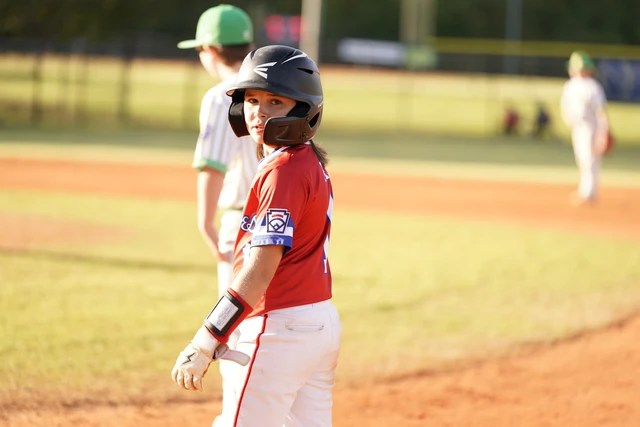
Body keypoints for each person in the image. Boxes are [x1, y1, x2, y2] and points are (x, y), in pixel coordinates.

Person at [171, 45, 342, 427]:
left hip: (279, 329)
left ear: (304, 109)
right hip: (318, 325)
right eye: (251, 100)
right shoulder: (307, 161)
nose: (259, 112)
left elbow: (260, 269)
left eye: (275, 101)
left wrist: (206, 338)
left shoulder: (282, 170)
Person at [176, 5, 258, 425]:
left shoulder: (220, 96)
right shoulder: (272, 89)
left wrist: (205, 224)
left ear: (209, 50)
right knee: (267, 327)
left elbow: (212, 165)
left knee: (233, 327)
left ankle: (238, 416)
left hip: (240, 225)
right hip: (281, 224)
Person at [560, 50, 610, 205]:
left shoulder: (593, 87)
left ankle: (588, 192)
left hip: (591, 127)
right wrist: (567, 119)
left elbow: (601, 111)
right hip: (577, 127)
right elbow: (565, 106)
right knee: (582, 158)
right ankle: (587, 191)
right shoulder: (570, 86)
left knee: (590, 159)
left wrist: (603, 131)